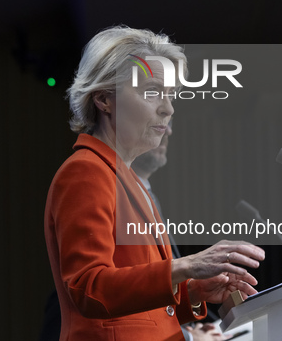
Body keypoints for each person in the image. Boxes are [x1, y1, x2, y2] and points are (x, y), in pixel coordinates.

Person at [44, 26, 264, 340]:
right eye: (152, 92)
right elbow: (89, 289)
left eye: (170, 96)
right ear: (104, 98)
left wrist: (195, 291)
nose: (168, 108)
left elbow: (141, 309)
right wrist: (186, 266)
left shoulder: (128, 180)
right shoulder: (85, 172)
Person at [132, 121, 230, 341]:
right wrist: (189, 337)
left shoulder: (149, 197)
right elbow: (114, 293)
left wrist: (193, 293)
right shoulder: (108, 188)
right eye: (157, 122)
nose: (168, 131)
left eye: (170, 123)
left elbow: (152, 294)